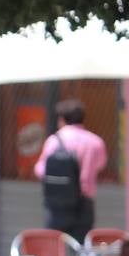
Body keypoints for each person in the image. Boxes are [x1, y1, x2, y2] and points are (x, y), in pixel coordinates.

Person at [34, 98, 107, 244]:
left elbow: (40, 170)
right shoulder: (95, 142)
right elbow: (100, 165)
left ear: (61, 119)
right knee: (82, 251)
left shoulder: (54, 141)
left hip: (57, 205)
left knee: (55, 249)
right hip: (83, 204)